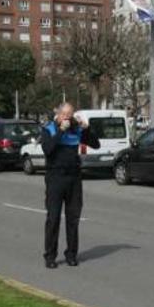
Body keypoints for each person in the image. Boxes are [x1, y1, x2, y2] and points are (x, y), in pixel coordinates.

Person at [41, 102, 99, 269]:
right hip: (55, 178)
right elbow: (48, 150)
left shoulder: (76, 130)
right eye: (64, 114)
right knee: (53, 218)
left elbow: (96, 144)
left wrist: (86, 128)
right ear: (58, 115)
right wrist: (61, 131)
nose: (67, 118)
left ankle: (71, 254)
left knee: (73, 218)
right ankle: (50, 256)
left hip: (74, 178)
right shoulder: (49, 129)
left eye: (70, 115)